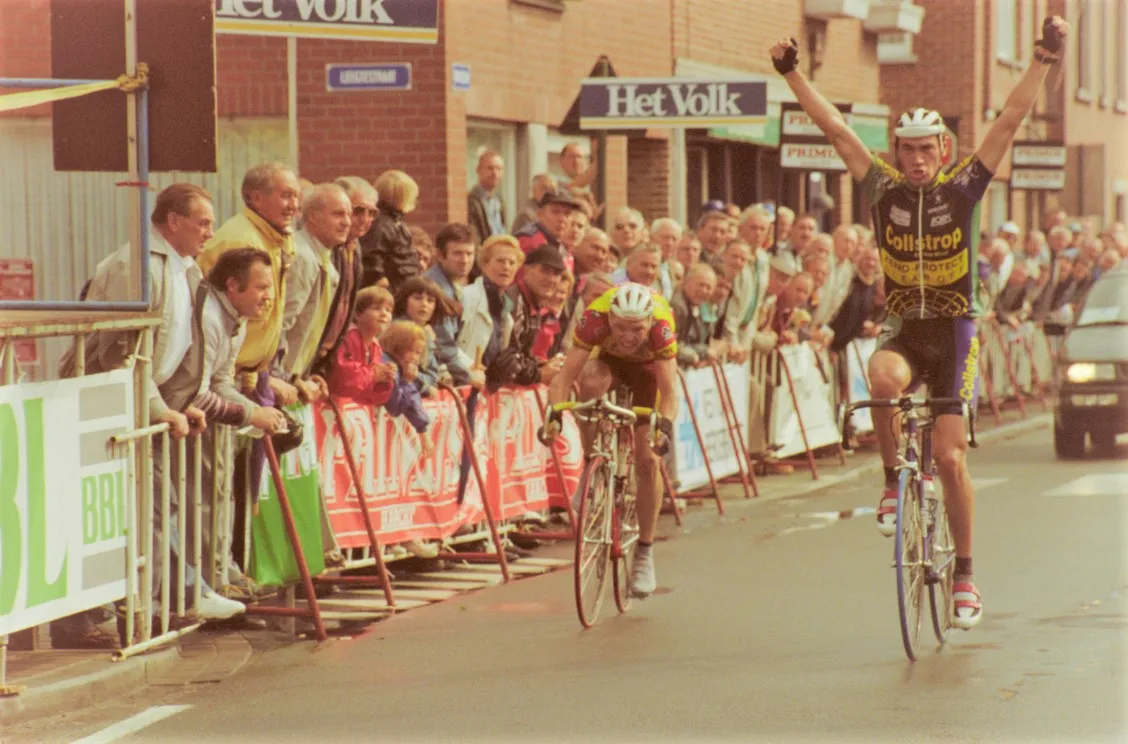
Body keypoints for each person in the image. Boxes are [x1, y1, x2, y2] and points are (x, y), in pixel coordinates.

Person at [770, 14, 1070, 631]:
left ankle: (964, 574)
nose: (914, 158)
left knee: (951, 458)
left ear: (942, 152)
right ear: (895, 152)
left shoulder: (963, 188)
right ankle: (889, 481)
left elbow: (1008, 121)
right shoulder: (879, 188)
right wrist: (791, 72)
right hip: (906, 325)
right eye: (905, 148)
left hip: (956, 329)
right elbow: (834, 128)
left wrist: (1042, 56)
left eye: (925, 148)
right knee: (880, 380)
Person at [542, 283, 679, 599]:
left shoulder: (661, 325)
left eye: (636, 329)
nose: (628, 335)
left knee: (648, 460)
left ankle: (645, 551)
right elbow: (564, 379)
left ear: (648, 322)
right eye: (619, 327)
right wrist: (553, 416)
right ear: (610, 318)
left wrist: (664, 426)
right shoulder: (595, 318)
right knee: (591, 380)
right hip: (609, 364)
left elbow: (669, 391)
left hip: (648, 372)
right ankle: (595, 463)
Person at [326, 285, 397, 406]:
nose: (384, 314)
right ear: (358, 314)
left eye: (388, 310)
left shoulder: (375, 346)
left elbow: (368, 396)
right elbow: (342, 381)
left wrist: (385, 378)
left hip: (347, 408)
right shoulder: (347, 338)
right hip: (327, 404)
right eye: (377, 308)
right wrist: (373, 374)